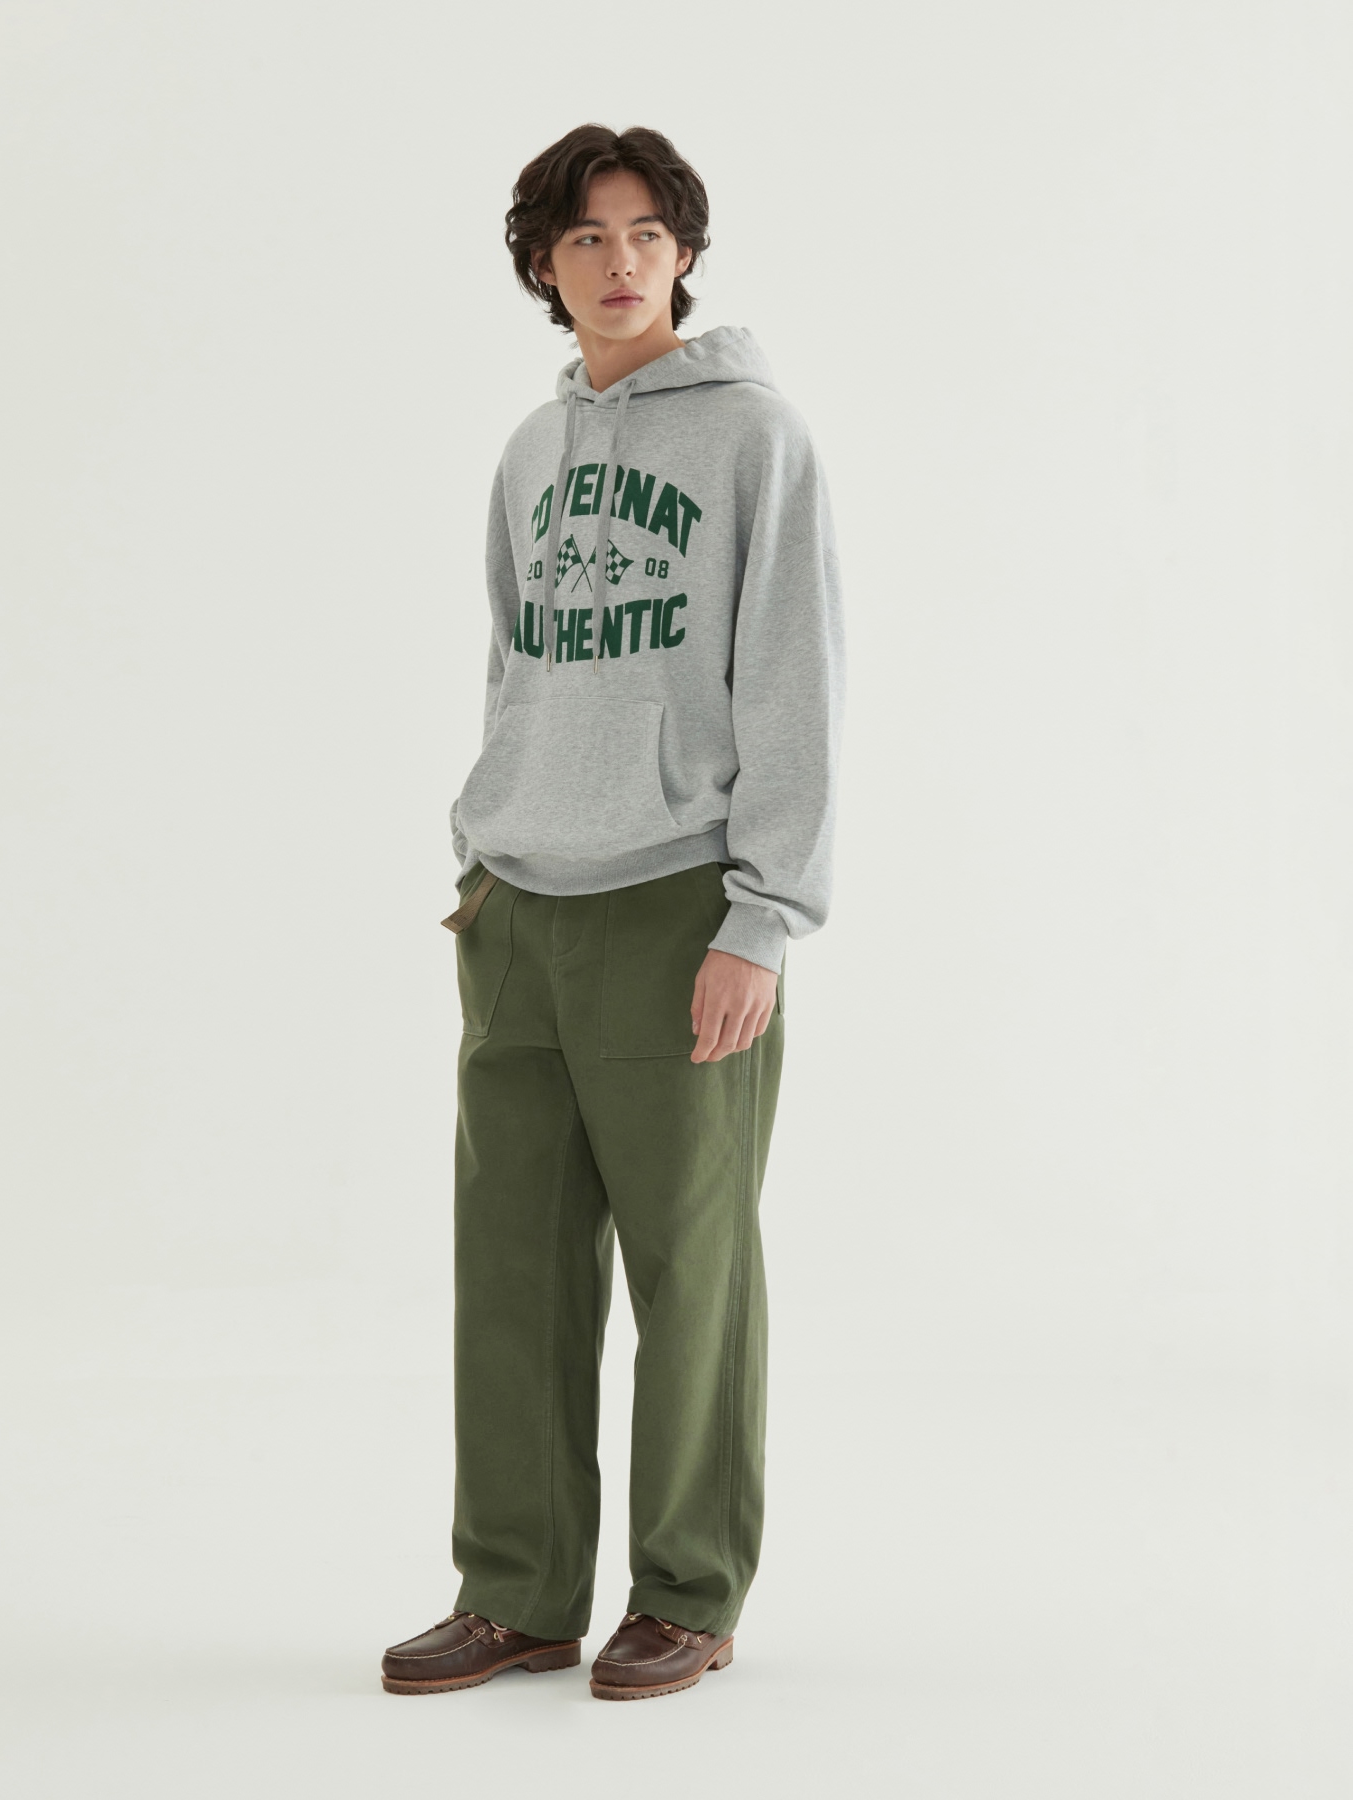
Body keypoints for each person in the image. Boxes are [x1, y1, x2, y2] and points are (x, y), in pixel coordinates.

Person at [381, 124, 844, 1702]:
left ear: (686, 254)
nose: (621, 259)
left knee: (692, 1273)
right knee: (511, 1273)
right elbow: (513, 664)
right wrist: (481, 859)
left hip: (676, 909)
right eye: (586, 237)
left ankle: (689, 1593)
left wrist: (762, 918)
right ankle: (515, 1590)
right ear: (544, 264)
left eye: (647, 232)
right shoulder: (531, 449)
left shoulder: (757, 437)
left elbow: (794, 685)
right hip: (519, 908)